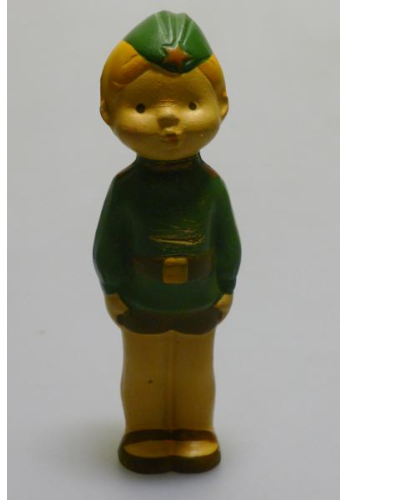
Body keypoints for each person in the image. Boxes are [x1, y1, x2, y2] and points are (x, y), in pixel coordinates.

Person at [94, 10, 241, 474]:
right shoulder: (126, 189)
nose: (169, 119)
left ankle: (196, 429)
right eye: (142, 107)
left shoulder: (210, 187)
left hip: (199, 296)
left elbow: (228, 240)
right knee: (144, 369)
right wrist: (113, 290)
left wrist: (226, 285)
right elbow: (107, 245)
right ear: (108, 112)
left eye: (191, 104)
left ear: (221, 104)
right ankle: (145, 431)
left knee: (196, 369)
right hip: (143, 296)